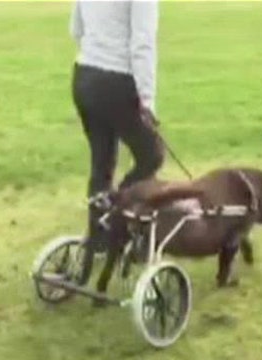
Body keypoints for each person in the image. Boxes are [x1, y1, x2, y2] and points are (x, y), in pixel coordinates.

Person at [69, 0, 165, 284]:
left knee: (102, 162)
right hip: (116, 80)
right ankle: (119, 219)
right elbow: (143, 42)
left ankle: (99, 237)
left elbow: (75, 28)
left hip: (84, 75)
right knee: (151, 155)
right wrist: (147, 100)